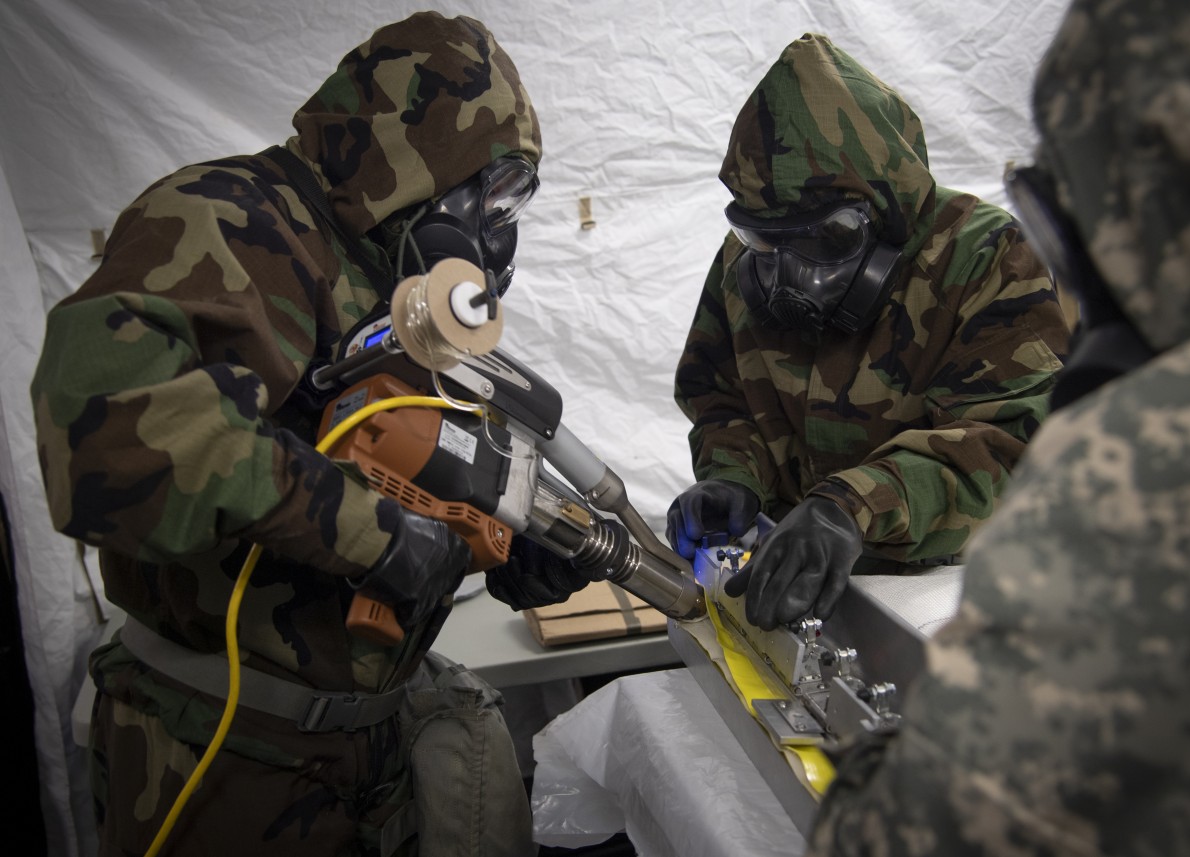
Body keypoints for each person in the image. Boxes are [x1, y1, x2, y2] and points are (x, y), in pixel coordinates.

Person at [30, 12, 558, 856]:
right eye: (494, 194)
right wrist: (375, 534)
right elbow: (103, 429)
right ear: (417, 157)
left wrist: (514, 544)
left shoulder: (393, 273)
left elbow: (414, 452)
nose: (502, 235)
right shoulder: (230, 220)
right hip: (225, 759)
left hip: (366, 752)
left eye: (517, 201)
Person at [804, 0, 1190, 853]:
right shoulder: (754, 262)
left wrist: (888, 746)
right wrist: (729, 470)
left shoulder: (1143, 462)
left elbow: (912, 833)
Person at [668, 34, 1072, 631]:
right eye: (764, 240)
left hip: (942, 588)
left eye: (823, 239)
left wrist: (853, 506)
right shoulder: (745, 262)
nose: (789, 274)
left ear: (888, 212)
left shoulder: (983, 257)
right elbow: (721, 397)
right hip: (787, 565)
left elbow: (1008, 442)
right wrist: (732, 478)